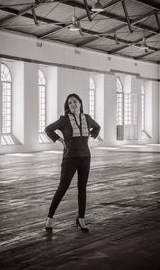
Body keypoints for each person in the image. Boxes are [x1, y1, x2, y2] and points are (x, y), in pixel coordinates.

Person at [44, 93, 100, 232]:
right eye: (70, 103)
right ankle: (50, 217)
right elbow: (48, 129)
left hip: (85, 157)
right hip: (70, 157)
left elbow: (97, 127)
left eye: (75, 102)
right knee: (63, 187)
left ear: (80, 103)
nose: (73, 104)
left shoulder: (87, 118)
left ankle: (81, 218)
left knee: (82, 187)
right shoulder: (63, 120)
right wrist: (61, 141)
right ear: (68, 107)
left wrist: (90, 137)